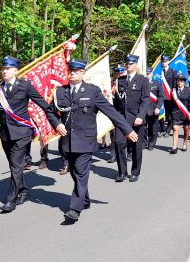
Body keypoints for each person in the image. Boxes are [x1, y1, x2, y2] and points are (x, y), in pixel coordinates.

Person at [54, 59, 138, 222]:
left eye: (76, 72)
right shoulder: (60, 92)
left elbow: (111, 111)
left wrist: (127, 130)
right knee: (74, 172)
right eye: (70, 71)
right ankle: (84, 199)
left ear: (83, 73)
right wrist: (56, 124)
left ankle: (75, 208)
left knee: (81, 172)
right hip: (67, 141)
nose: (72, 74)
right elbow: (51, 112)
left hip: (85, 141)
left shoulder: (92, 91)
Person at [0, 56, 66, 213]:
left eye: (8, 69)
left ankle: (11, 199)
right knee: (13, 166)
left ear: (16, 70)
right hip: (5, 134)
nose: (5, 71)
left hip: (22, 133)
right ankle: (23, 190)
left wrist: (56, 122)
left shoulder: (25, 86)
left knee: (17, 165)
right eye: (3, 69)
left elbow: (43, 104)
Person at [113, 54, 150, 183]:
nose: (128, 65)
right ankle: (122, 171)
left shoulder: (143, 80)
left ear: (136, 65)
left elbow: (145, 100)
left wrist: (140, 116)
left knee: (136, 146)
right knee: (118, 142)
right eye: (127, 63)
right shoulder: (120, 80)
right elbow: (117, 102)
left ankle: (135, 172)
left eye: (131, 63)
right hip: (122, 118)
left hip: (136, 118)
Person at [169, 74, 190, 154]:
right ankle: (174, 147)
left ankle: (184, 144)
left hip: (185, 112)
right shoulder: (173, 90)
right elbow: (171, 102)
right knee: (175, 128)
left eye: (181, 81)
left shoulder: (189, 90)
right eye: (178, 80)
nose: (179, 82)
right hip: (175, 112)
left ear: (184, 82)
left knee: (186, 129)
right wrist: (169, 114)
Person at [145, 67, 164, 150]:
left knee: (153, 128)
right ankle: (145, 142)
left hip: (153, 109)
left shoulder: (157, 83)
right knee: (143, 128)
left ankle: (152, 143)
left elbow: (161, 97)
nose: (147, 75)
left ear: (151, 74)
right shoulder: (141, 83)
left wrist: (158, 107)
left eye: (148, 74)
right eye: (145, 74)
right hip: (143, 109)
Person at [159, 55, 177, 137]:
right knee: (160, 114)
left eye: (165, 61)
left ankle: (168, 130)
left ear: (168, 62)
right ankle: (162, 129)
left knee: (169, 115)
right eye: (162, 61)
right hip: (159, 96)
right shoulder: (158, 71)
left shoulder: (173, 71)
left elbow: (174, 85)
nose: (163, 63)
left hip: (169, 97)